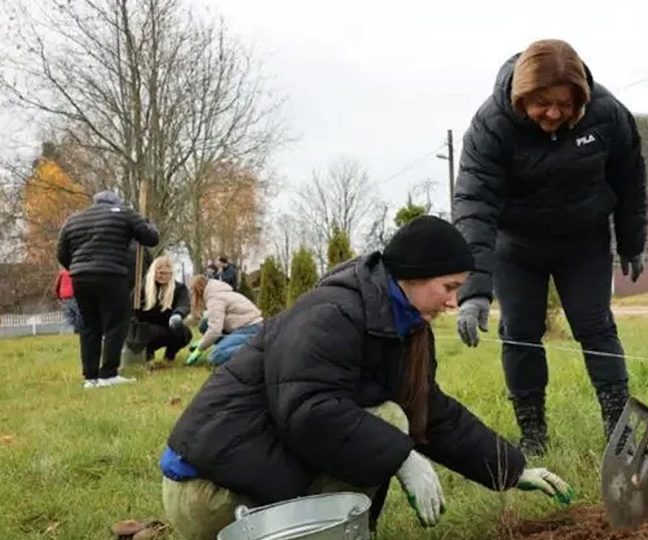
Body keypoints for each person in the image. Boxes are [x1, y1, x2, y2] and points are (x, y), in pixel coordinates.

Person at [159, 216, 572, 539]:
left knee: (393, 417)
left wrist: (511, 468)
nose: (453, 302)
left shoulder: (403, 324)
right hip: (209, 491)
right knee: (388, 420)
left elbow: (430, 411)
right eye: (448, 287)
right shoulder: (331, 313)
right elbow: (308, 411)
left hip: (249, 474)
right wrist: (402, 456)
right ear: (414, 274)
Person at [453, 39, 648, 455]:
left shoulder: (606, 114)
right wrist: (473, 292)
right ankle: (533, 435)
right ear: (521, 96)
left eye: (565, 104)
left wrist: (633, 242)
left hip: (584, 242)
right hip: (517, 247)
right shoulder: (491, 126)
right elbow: (474, 205)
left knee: (597, 327)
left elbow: (630, 178)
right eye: (542, 104)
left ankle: (619, 430)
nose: (555, 114)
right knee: (520, 333)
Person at [57, 190, 159, 388]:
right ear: (116, 202)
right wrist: (148, 225)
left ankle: (90, 377)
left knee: (89, 326)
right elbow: (151, 238)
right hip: (111, 275)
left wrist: (78, 268)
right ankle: (108, 374)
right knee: (116, 323)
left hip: (80, 278)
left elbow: (61, 252)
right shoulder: (124, 213)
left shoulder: (74, 219)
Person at [184, 274, 261, 366]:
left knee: (215, 356)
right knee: (204, 324)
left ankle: (257, 350)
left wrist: (200, 349)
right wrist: (203, 340)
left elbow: (215, 330)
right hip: (246, 326)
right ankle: (228, 346)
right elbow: (205, 318)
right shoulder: (216, 292)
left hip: (250, 329)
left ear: (198, 291)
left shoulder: (215, 299)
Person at [131, 256, 192, 362]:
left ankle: (169, 355)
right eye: (159, 273)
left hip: (168, 325)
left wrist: (178, 314)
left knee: (183, 333)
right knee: (144, 331)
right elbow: (130, 307)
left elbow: (184, 304)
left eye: (165, 273)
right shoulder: (141, 288)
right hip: (146, 328)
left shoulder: (179, 288)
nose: (161, 276)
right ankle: (147, 354)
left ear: (171, 274)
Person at [54, 267, 81, 334]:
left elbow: (57, 286)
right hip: (74, 295)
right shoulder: (76, 271)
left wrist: (59, 297)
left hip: (64, 297)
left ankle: (69, 331)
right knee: (78, 314)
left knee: (68, 316)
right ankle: (77, 330)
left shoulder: (62, 272)